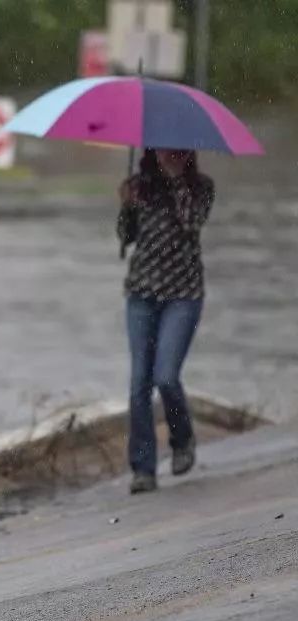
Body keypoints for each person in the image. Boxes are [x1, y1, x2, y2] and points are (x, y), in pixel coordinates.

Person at [117, 148, 215, 495]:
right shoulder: (141, 185)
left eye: (175, 150)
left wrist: (176, 182)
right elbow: (125, 239)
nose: (168, 154)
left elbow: (191, 224)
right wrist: (127, 204)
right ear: (151, 151)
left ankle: (182, 439)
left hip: (183, 295)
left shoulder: (201, 187)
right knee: (138, 384)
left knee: (166, 377)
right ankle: (143, 469)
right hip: (141, 294)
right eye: (161, 148)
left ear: (188, 153)